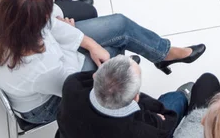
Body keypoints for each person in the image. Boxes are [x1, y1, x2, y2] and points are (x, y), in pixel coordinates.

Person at [0, 0, 206, 125]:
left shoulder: (5, 22)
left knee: (119, 25)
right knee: (112, 58)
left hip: (52, 59)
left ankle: (163, 53)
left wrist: (89, 43)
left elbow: (53, 24)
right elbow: (69, 83)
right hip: (47, 101)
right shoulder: (42, 68)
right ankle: (127, 85)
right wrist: (81, 42)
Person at [56, 55, 190, 138]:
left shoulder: (72, 85)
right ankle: (185, 95)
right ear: (136, 98)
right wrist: (158, 120)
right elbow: (167, 123)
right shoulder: (140, 130)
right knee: (176, 99)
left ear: (95, 75)